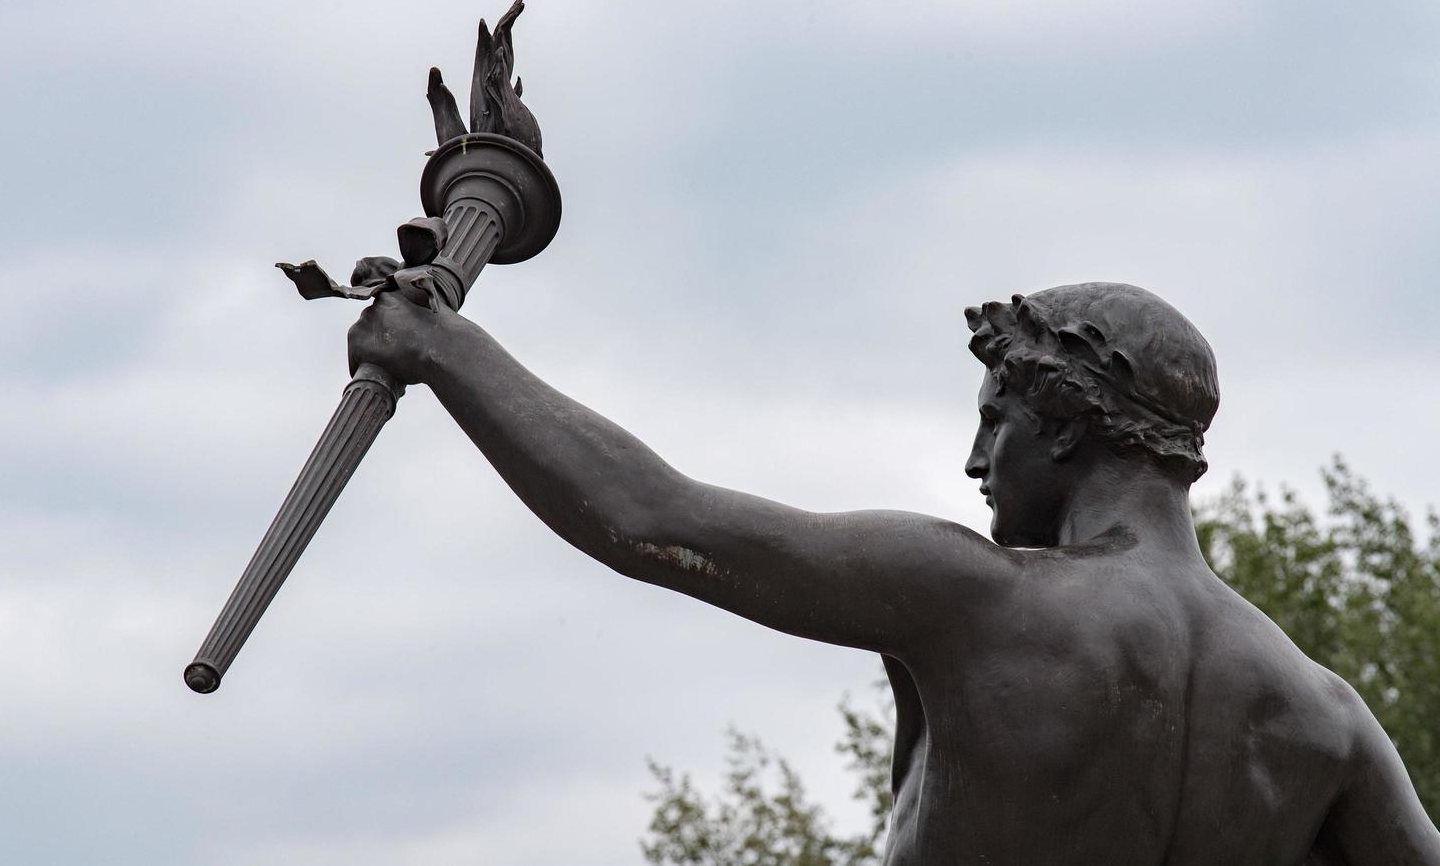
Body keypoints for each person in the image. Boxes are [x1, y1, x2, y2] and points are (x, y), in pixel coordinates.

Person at [348, 278, 1440, 864]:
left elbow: (649, 517)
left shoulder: (977, 598)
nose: (975, 461)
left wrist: (445, 349)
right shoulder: (1328, 718)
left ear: (1061, 426)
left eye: (996, 421)